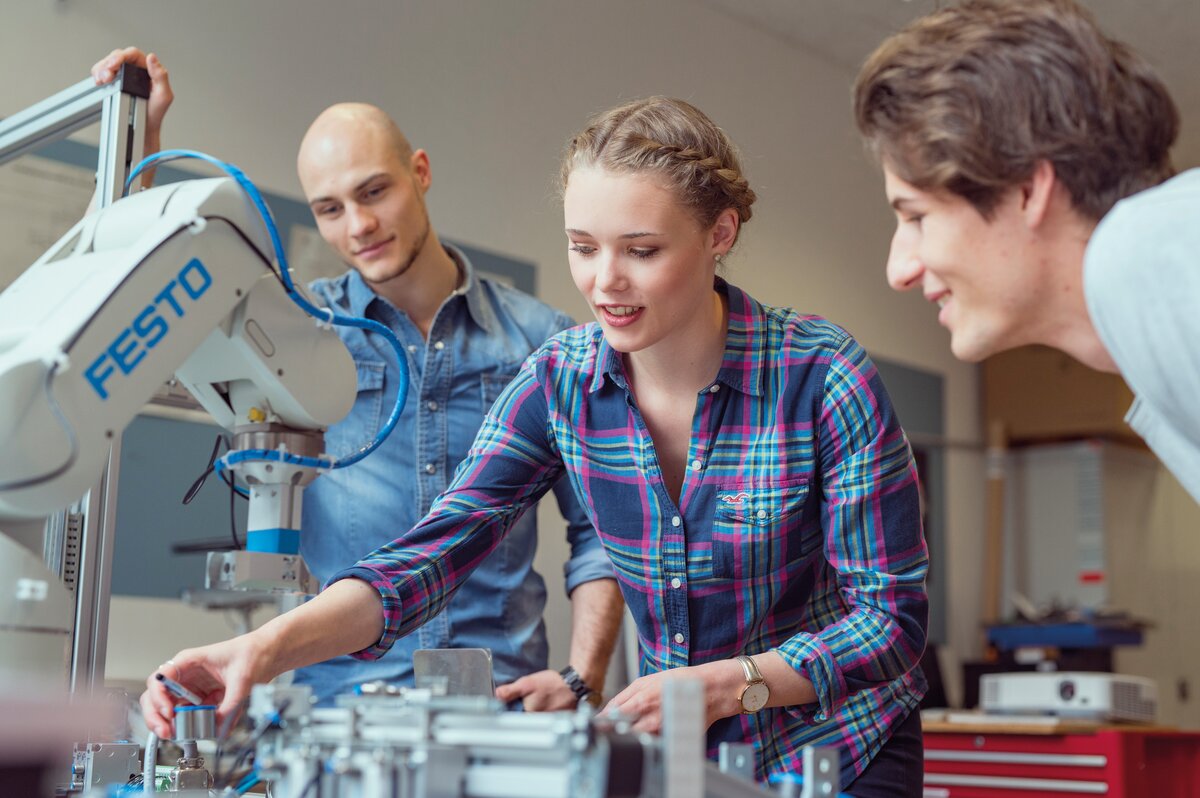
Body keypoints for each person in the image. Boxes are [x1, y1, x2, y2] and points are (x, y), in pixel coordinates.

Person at [142, 97, 928, 795]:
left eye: (641, 250)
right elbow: (429, 555)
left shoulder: (823, 376)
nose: (604, 282)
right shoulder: (560, 380)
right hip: (685, 758)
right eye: (583, 247)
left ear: (720, 233)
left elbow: (889, 622)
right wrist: (260, 649)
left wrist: (722, 687)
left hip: (840, 748)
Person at [91, 48, 624, 710]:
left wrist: (582, 677)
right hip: (343, 704)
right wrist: (144, 141)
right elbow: (164, 295)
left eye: (374, 191)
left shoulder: (539, 340)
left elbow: (601, 530)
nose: (360, 225)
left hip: (506, 702)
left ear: (420, 172)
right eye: (330, 208)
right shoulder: (301, 334)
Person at [854, 0, 1200, 501]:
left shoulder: (1143, 251)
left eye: (916, 217)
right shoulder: (1151, 312)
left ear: (1025, 190)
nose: (898, 270)